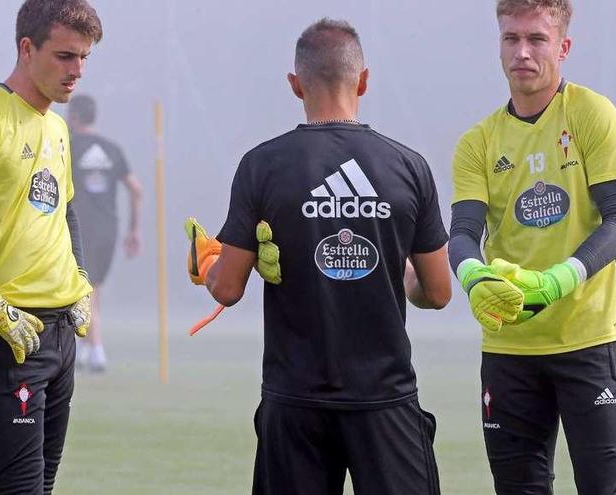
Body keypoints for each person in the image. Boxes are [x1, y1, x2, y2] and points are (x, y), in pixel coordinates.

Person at [184, 18, 451, 495]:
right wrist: (399, 268)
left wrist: (204, 261)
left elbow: (226, 287)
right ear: (364, 80)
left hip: (295, 402)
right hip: (385, 400)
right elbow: (437, 292)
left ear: (295, 85)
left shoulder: (261, 165)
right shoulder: (409, 166)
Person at [449, 0, 616, 493]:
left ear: (563, 46)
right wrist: (473, 277)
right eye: (511, 39)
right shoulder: (478, 141)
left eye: (536, 39)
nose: (523, 52)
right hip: (508, 344)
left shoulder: (592, 114)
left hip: (588, 339)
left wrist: (557, 281)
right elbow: (465, 233)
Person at [0, 0, 102, 492]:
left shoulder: (57, 126)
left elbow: (64, 211)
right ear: (27, 49)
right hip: (7, 332)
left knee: (42, 486)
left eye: (85, 58)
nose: (78, 72)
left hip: (60, 333)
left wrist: (82, 280)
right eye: (65, 56)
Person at [68, 94, 143, 372]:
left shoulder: (69, 147)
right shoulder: (111, 149)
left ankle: (96, 349)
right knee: (92, 288)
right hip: (108, 229)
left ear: (74, 116)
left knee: (85, 290)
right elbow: (136, 189)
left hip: (78, 228)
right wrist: (134, 230)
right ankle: (85, 349)